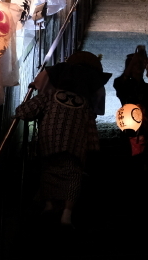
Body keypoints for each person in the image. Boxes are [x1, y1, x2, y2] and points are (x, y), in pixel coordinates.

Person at [15, 51, 110, 226]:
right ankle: (67, 212)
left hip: (50, 139)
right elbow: (91, 129)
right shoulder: (86, 105)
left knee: (48, 171)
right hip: (76, 144)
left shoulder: (51, 95)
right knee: (73, 176)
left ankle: (49, 204)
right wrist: (93, 148)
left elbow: (24, 111)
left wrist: (21, 111)